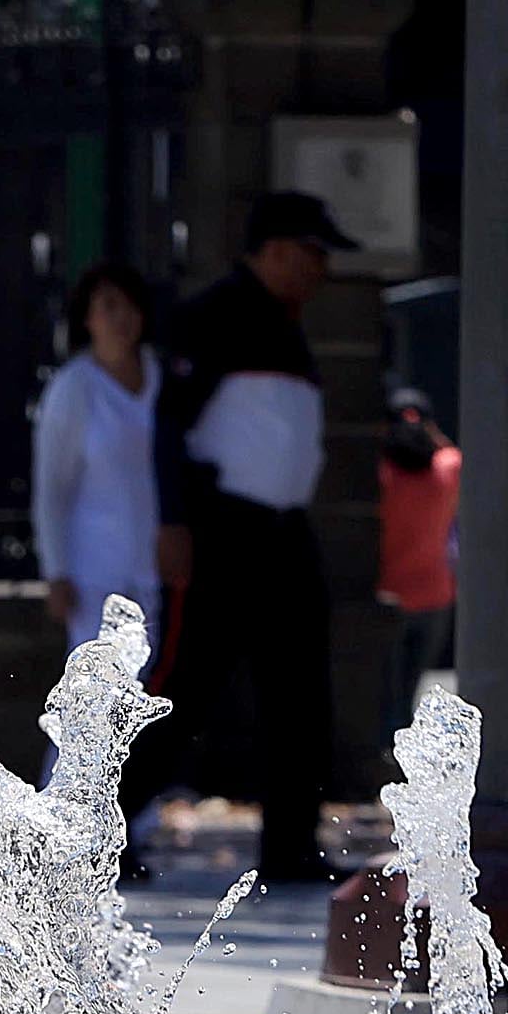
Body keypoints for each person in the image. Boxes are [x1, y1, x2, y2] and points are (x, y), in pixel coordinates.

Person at [144, 191, 352, 884]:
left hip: (282, 529)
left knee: (301, 696)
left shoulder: (286, 326)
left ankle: (290, 845)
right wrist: (173, 520)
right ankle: (91, 836)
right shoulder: (213, 316)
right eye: (311, 252)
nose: (320, 268)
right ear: (273, 251)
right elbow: (170, 423)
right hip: (221, 526)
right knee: (183, 689)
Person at [31, 262, 162, 655]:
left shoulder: (164, 377)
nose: (122, 317)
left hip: (159, 571)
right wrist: (56, 572)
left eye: (131, 306)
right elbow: (52, 488)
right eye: (109, 306)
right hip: (95, 576)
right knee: (102, 699)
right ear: (87, 318)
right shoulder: (73, 390)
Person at [373, 384, 459, 745]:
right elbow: (447, 448)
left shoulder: (380, 475)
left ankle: (386, 757)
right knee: (408, 689)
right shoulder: (449, 468)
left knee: (384, 691)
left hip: (388, 595)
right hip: (435, 595)